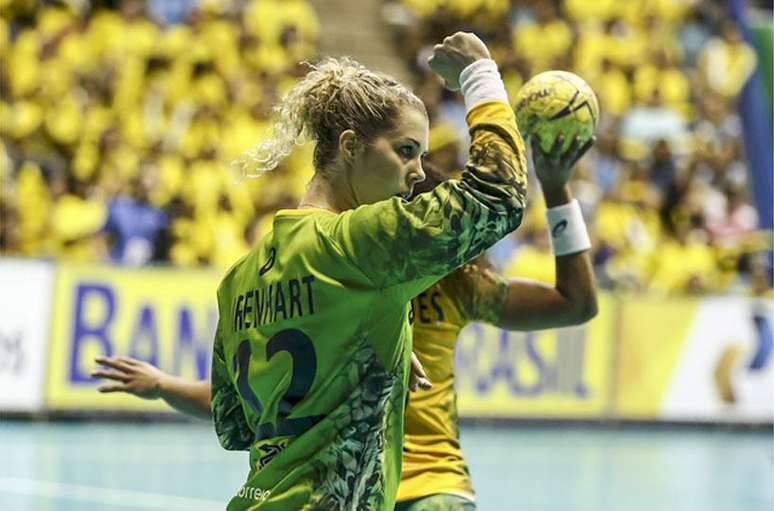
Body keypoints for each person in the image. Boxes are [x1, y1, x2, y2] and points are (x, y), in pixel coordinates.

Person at [95, 32, 528, 510]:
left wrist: (361, 349)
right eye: (406, 151)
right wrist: (480, 75)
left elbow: (235, 425)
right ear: (350, 146)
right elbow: (498, 195)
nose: (419, 172)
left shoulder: (239, 277)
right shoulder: (357, 245)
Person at [95, 136, 596, 510]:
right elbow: (262, 403)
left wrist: (556, 191)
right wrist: (164, 384)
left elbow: (575, 304)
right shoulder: (334, 267)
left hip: (428, 489)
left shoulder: (454, 280)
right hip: (346, 490)